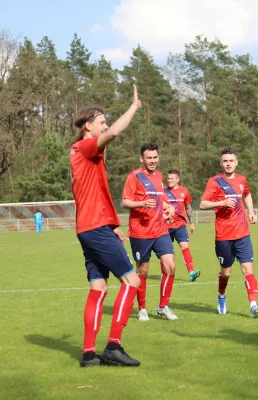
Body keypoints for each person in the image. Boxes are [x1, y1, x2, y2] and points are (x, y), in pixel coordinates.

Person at [70, 85, 142, 367]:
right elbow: (113, 134)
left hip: (91, 227)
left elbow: (96, 194)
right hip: (94, 227)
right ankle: (113, 346)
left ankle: (89, 354)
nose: (106, 126)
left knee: (98, 286)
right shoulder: (83, 146)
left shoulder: (87, 154)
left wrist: (112, 224)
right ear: (89, 126)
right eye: (101, 121)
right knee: (131, 281)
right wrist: (133, 108)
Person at [199, 147, 258, 318]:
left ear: (236, 162)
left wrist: (251, 211)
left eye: (231, 161)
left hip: (243, 233)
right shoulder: (215, 181)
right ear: (221, 163)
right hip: (223, 235)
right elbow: (203, 204)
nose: (228, 164)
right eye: (225, 161)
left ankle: (253, 305)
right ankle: (221, 295)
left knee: (247, 269)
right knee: (226, 273)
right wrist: (221, 203)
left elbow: (247, 194)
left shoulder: (242, 179)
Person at [122, 143, 177, 322]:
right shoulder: (134, 176)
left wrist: (169, 208)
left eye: (155, 157)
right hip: (141, 232)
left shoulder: (159, 176)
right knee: (143, 271)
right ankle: (142, 308)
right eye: (149, 158)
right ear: (142, 159)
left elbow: (160, 198)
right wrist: (141, 204)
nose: (152, 161)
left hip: (160, 230)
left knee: (170, 266)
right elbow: (125, 202)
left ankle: (163, 306)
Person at [164, 170, 200, 282]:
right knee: (166, 252)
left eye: (172, 178)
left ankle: (191, 272)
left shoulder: (184, 191)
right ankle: (165, 273)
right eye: (168, 178)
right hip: (166, 226)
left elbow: (188, 207)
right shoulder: (162, 191)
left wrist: (192, 222)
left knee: (185, 246)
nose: (169, 180)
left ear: (177, 179)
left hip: (180, 225)